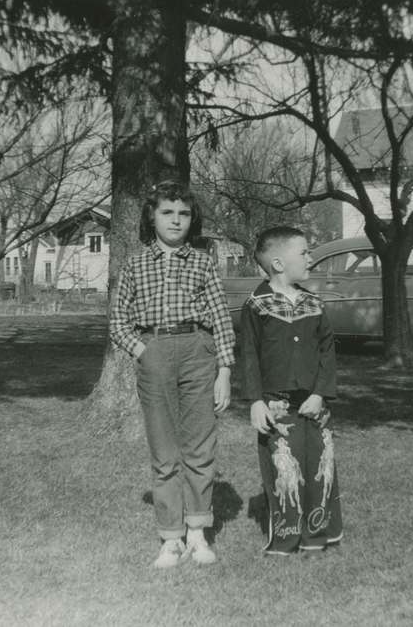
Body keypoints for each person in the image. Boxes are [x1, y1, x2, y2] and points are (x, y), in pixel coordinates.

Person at [109, 180, 235, 569]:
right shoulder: (135, 263)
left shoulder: (202, 261)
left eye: (183, 213)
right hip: (155, 352)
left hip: (198, 352)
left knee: (199, 447)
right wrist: (144, 351)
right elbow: (118, 322)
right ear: (152, 216)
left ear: (190, 218)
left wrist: (224, 370)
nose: (176, 220)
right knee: (165, 453)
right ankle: (171, 538)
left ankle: (197, 533)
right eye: (167, 212)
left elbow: (220, 317)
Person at [238, 225, 343, 556]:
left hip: (313, 404)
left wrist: (320, 393)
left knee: (318, 467)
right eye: (304, 252)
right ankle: (286, 535)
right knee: (285, 471)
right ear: (279, 263)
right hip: (277, 406)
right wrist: (255, 401)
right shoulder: (257, 305)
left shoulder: (314, 303)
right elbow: (250, 356)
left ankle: (317, 535)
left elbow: (327, 352)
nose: (310, 257)